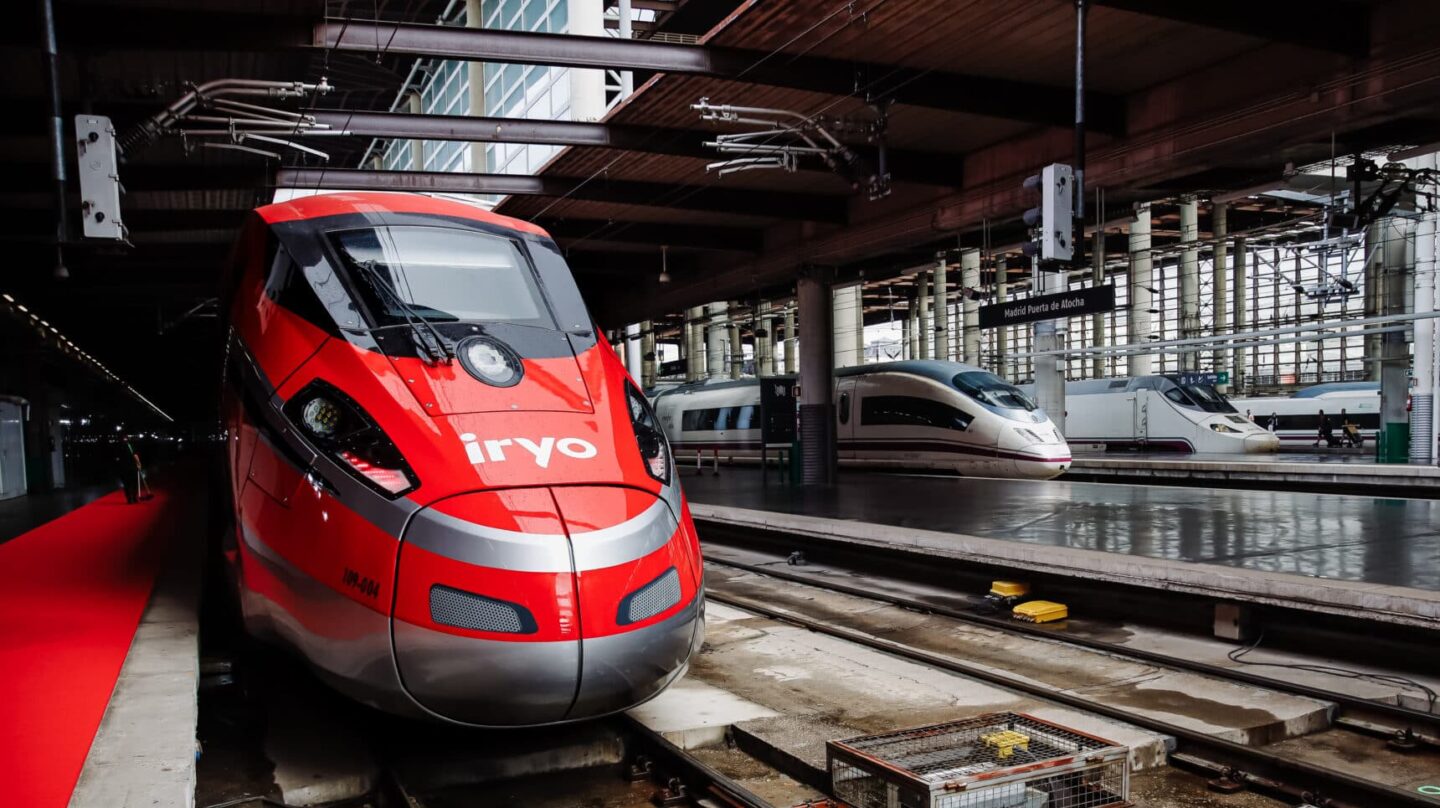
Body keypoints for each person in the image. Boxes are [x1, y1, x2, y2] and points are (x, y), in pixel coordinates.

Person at [110, 437, 139, 504]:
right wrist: (138, 463)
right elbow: (135, 455)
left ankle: (129, 499)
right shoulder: (130, 446)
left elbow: (116, 458)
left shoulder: (117, 447)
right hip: (131, 467)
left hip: (123, 468)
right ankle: (134, 498)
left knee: (126, 484)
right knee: (134, 483)